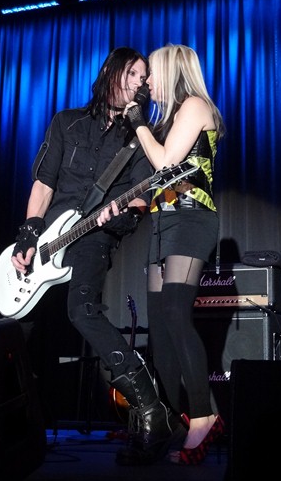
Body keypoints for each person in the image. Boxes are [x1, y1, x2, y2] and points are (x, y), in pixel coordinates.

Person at [10, 46, 187, 462]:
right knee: (18, 328)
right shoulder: (66, 122)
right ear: (111, 71)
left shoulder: (140, 137)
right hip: (48, 239)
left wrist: (120, 213)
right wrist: (28, 235)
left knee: (82, 310)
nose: (140, 82)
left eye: (144, 77)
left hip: (95, 235)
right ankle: (14, 421)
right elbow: (44, 184)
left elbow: (143, 198)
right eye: (133, 73)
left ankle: (150, 408)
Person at [103, 43, 226, 466]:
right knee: (159, 328)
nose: (147, 81)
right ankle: (171, 420)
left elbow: (166, 163)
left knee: (175, 313)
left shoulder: (195, 106)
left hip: (192, 219)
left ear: (171, 71)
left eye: (152, 73)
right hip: (162, 224)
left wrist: (138, 121)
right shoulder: (167, 120)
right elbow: (146, 175)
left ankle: (204, 416)